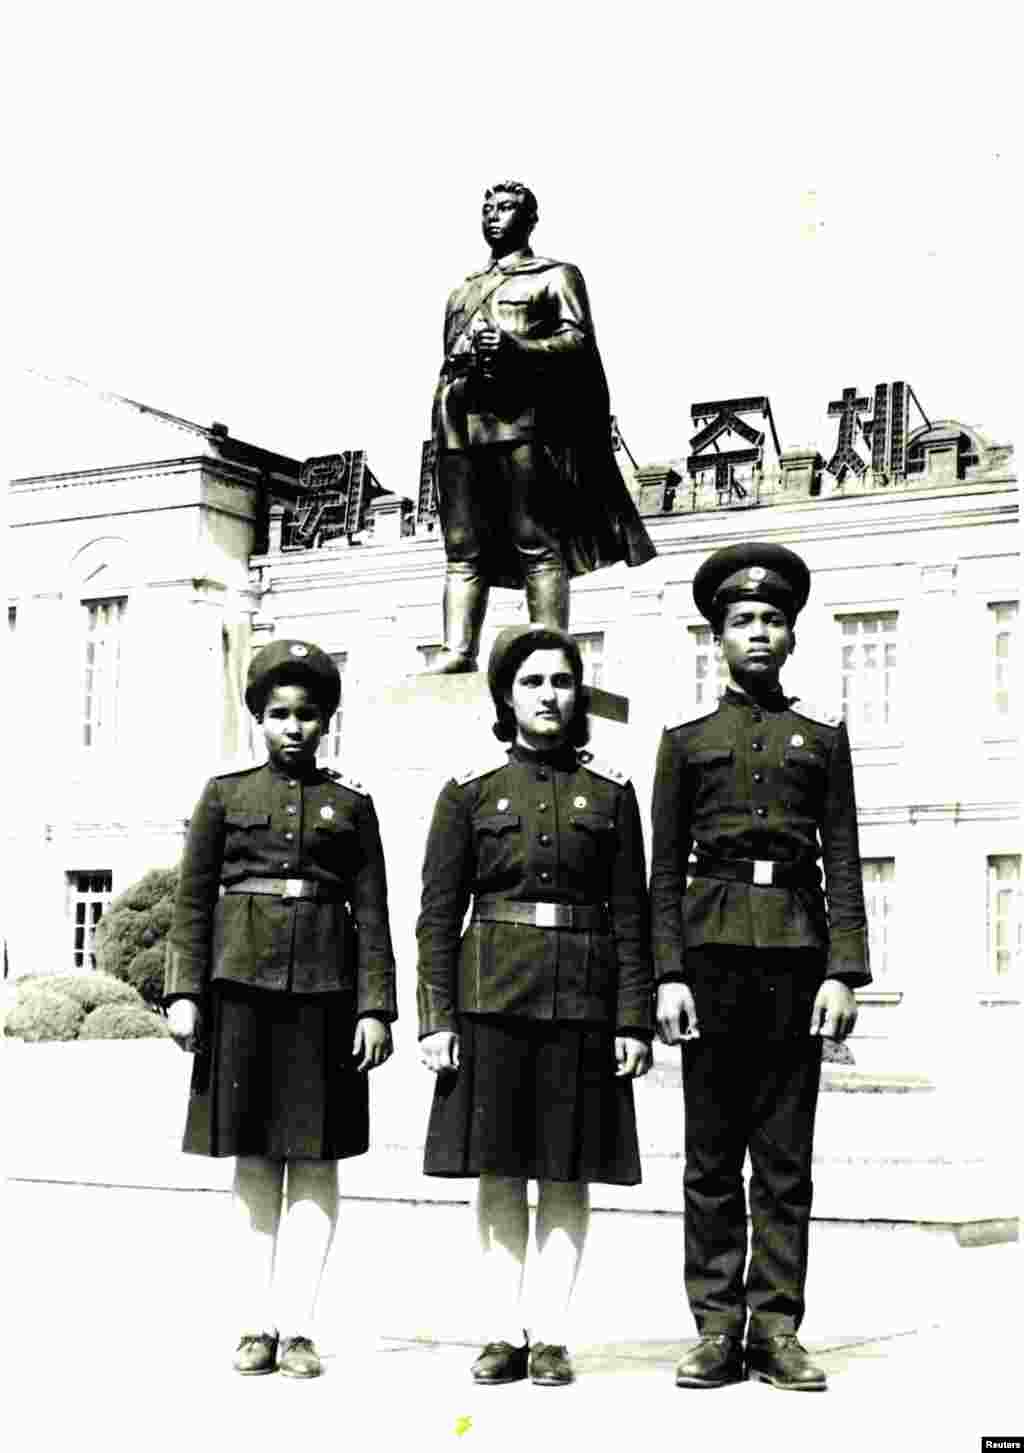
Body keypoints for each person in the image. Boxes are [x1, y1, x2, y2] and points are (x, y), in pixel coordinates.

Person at [650, 542, 871, 1393]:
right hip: (708, 961)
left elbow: (843, 859)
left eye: (774, 620)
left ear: (792, 636)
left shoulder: (821, 738)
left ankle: (775, 1325)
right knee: (710, 1155)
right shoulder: (686, 741)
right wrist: (668, 973)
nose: (759, 633)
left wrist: (844, 972)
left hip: (794, 958)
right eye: (743, 620)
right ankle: (715, 1325)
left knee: (784, 1157)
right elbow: (665, 868)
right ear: (718, 637)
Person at [417, 625, 653, 1385]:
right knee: (498, 1170)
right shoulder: (467, 789)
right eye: (532, 681)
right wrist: (437, 1019)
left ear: (578, 691)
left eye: (561, 680)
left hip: (582, 1002)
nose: (549, 694)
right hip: (491, 1000)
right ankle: (499, 1330)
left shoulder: (613, 791)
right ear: (506, 695)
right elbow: (436, 914)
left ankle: (549, 1332)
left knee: (565, 1170)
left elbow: (633, 913)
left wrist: (632, 1018)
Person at [164, 639, 397, 1378]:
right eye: (278, 714)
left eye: (307, 714)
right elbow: (193, 899)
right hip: (241, 994)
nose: (293, 726)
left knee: (317, 1163)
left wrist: (376, 1007)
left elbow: (373, 913)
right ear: (259, 718)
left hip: (326, 1001)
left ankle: (299, 1326)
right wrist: (183, 991)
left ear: (326, 719)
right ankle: (252, 1323)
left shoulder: (353, 804)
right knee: (255, 1163)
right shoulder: (224, 795)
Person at [425, 180, 655, 673]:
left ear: (530, 220)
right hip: (457, 425)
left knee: (536, 540)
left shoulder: (554, 277)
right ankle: (458, 650)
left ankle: (548, 648)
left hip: (519, 422)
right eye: (487, 208)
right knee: (463, 546)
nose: (493, 216)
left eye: (506, 208)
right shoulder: (462, 291)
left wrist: (516, 350)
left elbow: (577, 346)